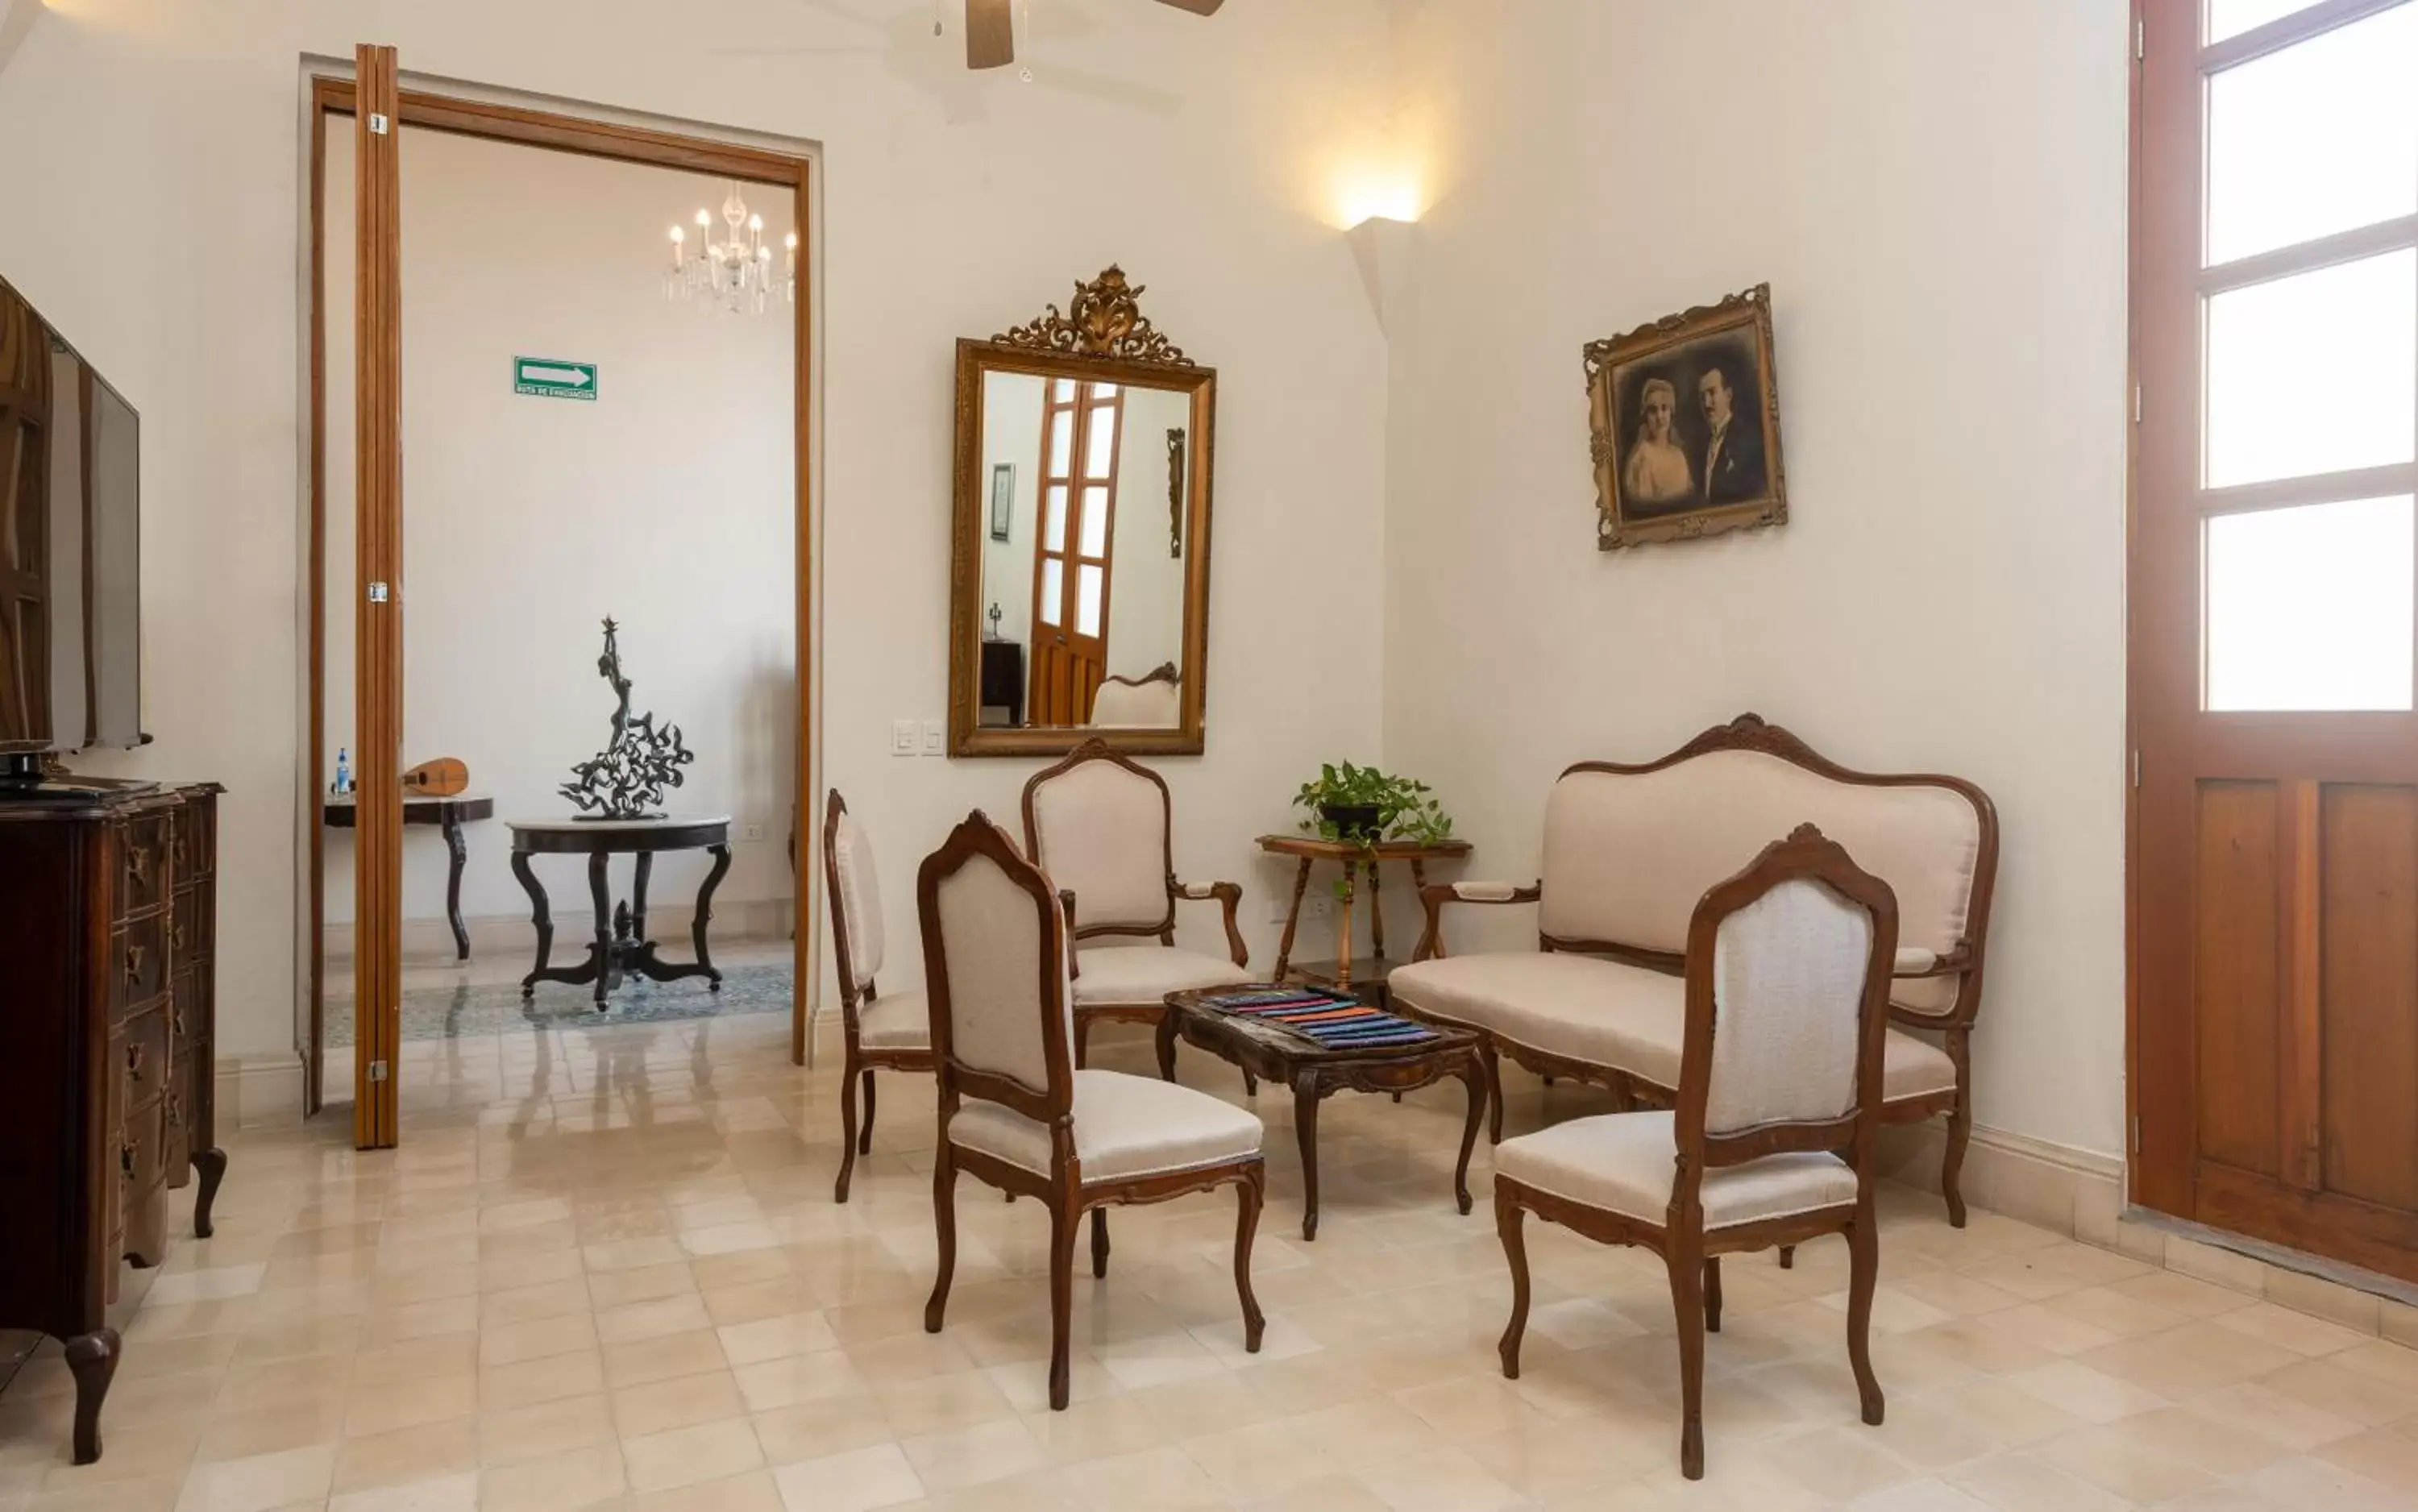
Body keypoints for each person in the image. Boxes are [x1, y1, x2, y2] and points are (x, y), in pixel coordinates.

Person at [1694, 363, 1766, 506]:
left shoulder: (1747, 438)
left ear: (1728, 395)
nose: (1707, 404)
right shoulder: (1699, 446)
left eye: (1712, 392)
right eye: (1702, 397)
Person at [1622, 376, 1694, 507]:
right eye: (1653, 411)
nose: (1660, 417)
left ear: (1671, 413)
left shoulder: (1679, 455)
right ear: (1646, 416)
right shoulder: (1643, 457)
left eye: (1664, 408)